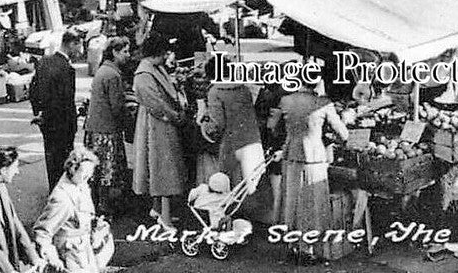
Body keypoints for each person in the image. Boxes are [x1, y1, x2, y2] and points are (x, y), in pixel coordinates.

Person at [268, 76, 350, 259]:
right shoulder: (323, 103)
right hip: (314, 158)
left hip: (291, 156)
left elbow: (273, 127)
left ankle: (293, 244)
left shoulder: (286, 100)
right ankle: (308, 249)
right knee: (312, 202)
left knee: (292, 201)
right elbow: (343, 134)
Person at [131, 33, 188, 229]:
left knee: (161, 168)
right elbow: (156, 105)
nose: (167, 56)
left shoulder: (153, 69)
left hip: (159, 125)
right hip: (155, 126)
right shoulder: (144, 74)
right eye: (165, 52)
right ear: (158, 53)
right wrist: (175, 115)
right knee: (162, 170)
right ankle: (164, 216)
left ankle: (159, 209)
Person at [32, 148, 112, 273]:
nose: (88, 178)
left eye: (89, 174)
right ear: (72, 169)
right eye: (84, 173)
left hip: (83, 251)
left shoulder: (79, 183)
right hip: (70, 255)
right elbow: (42, 232)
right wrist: (52, 258)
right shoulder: (62, 198)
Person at [202, 56, 265, 190]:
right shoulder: (245, 89)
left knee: (228, 189)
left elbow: (218, 124)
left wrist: (204, 124)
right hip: (253, 141)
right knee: (252, 188)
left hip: (230, 144)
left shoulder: (215, 92)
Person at [84, 36, 129, 215]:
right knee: (106, 170)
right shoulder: (112, 74)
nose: (127, 55)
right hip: (106, 130)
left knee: (97, 169)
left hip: (96, 127)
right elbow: (116, 106)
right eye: (124, 51)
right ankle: (105, 206)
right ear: (115, 53)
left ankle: (98, 204)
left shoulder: (103, 70)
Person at [29, 31, 80, 188]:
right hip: (63, 124)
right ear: (71, 44)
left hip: (47, 123)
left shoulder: (44, 62)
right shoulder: (67, 69)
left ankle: (54, 190)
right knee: (64, 161)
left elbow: (33, 90)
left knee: (51, 161)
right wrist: (73, 122)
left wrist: (39, 113)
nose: (80, 51)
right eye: (79, 46)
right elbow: (66, 101)